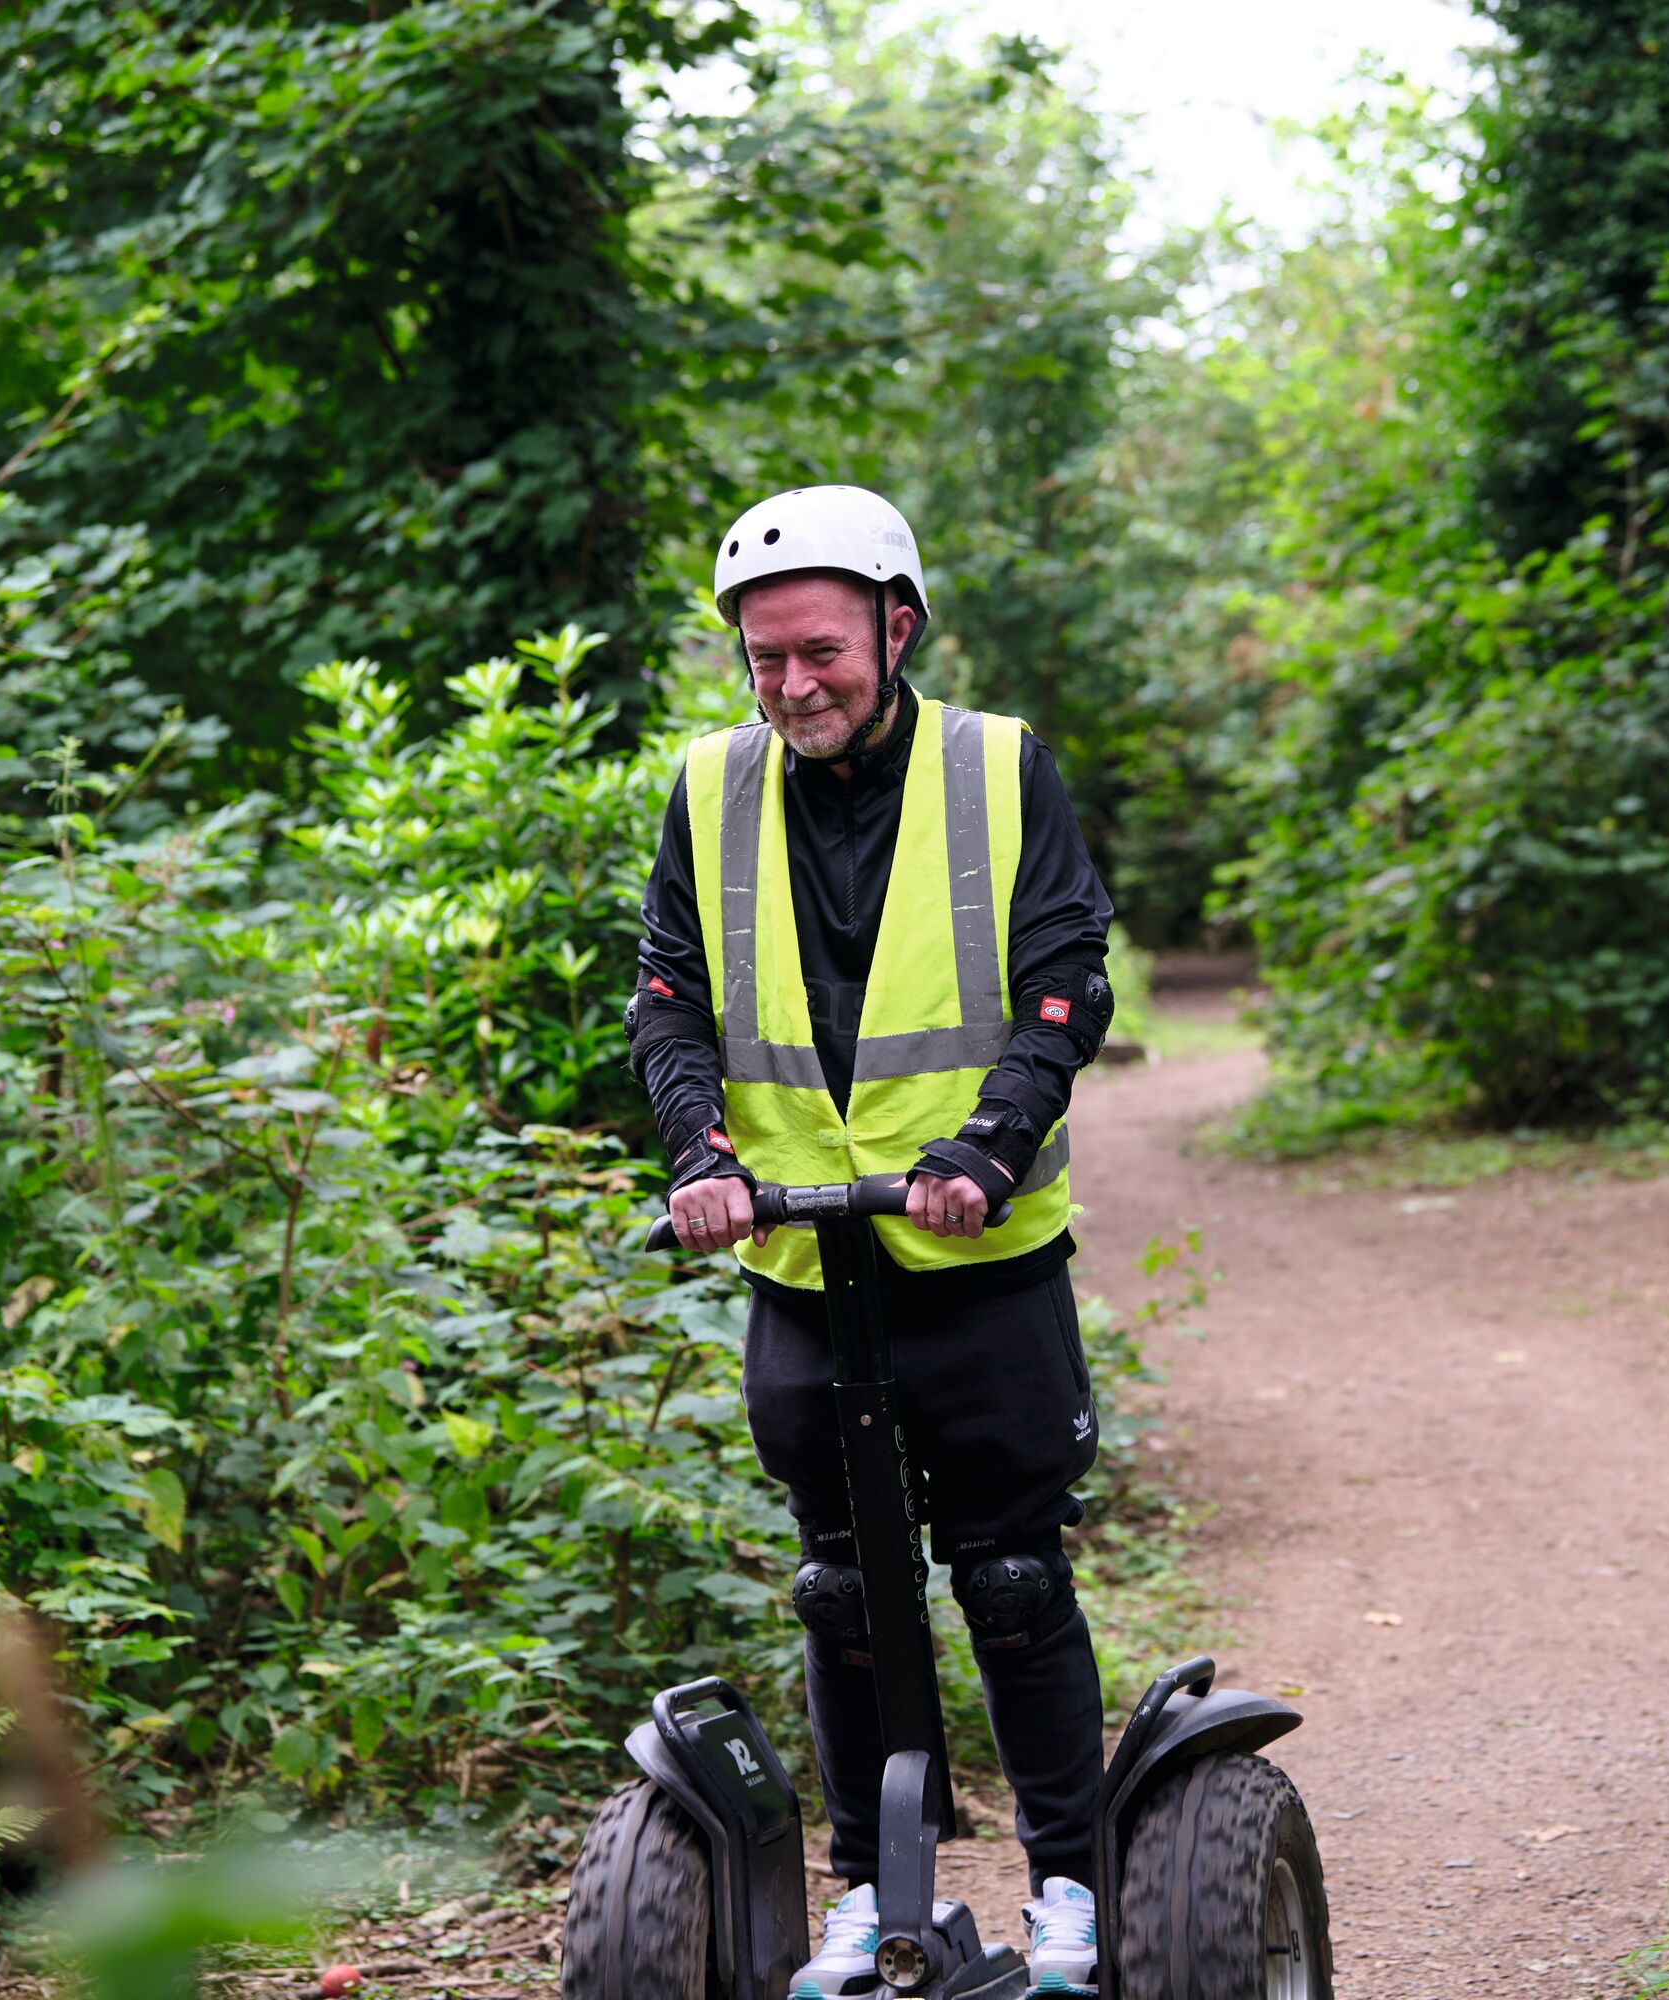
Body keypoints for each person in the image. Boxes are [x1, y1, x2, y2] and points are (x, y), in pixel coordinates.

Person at [624, 485, 1120, 1998]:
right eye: (764, 661)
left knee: (1014, 1579)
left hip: (978, 1263)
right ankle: (863, 1893)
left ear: (897, 629)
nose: (792, 687)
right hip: (798, 1271)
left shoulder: (995, 767)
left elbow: (1064, 982)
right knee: (842, 1586)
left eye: (820, 653)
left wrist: (990, 1144)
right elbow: (669, 1001)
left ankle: (1074, 1891)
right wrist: (703, 1154)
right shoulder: (709, 787)